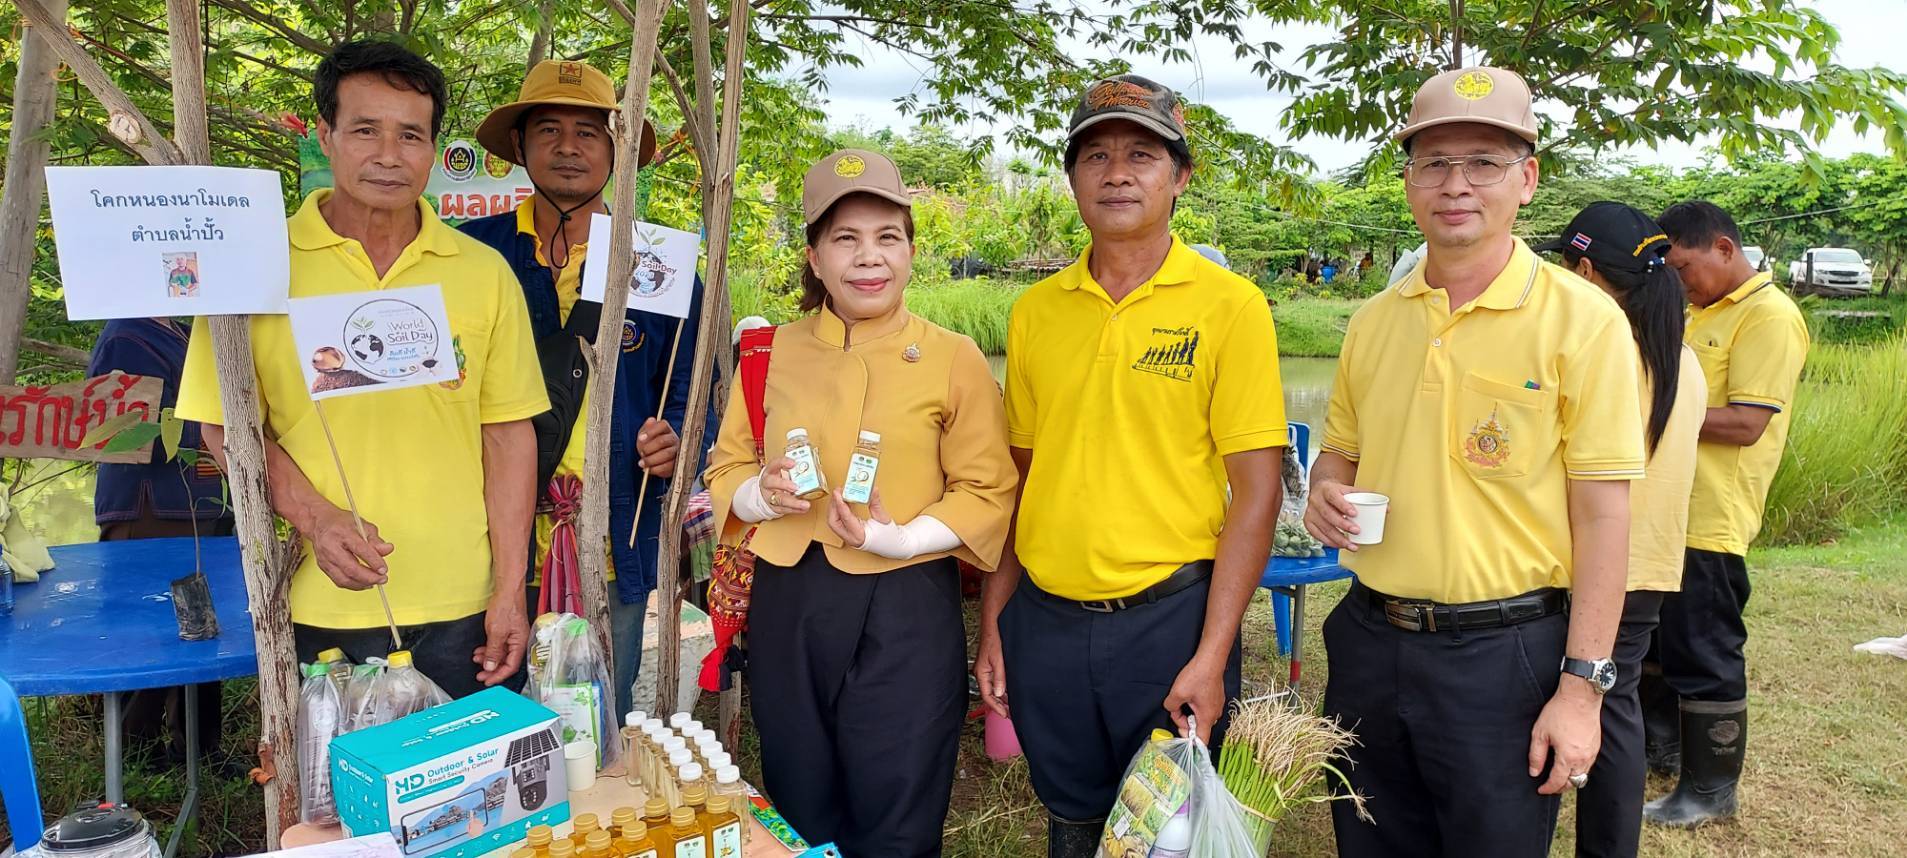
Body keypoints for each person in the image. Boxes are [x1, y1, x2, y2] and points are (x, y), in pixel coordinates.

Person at [1302, 67, 1645, 857]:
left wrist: (1582, 686)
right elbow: (1340, 453)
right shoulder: (1372, 322)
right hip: (1368, 637)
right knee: (1369, 840)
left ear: (1526, 180)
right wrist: (1325, 488)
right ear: (1408, 181)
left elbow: (1603, 515)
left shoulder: (1582, 321)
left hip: (1504, 653)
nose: (1455, 185)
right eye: (1433, 163)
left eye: (1483, 163)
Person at [974, 74, 1286, 857]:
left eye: (1141, 155)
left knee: (1165, 829)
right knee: (1071, 817)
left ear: (1179, 176)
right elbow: (1019, 481)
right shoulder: (1035, 311)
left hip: (1169, 620)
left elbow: (1256, 493)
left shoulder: (1230, 305)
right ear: (1072, 177)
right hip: (1045, 620)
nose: (1117, 173)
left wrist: (1211, 654)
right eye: (1096, 156)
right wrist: (994, 624)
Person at [178, 40, 548, 698]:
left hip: (463, 604)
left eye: (410, 135)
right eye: (364, 130)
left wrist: (508, 590)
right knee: (334, 769)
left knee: (473, 768)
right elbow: (223, 426)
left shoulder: (482, 273)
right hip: (318, 598)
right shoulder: (255, 265)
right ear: (325, 137)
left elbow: (508, 433)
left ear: (433, 149)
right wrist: (318, 519)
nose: (388, 155)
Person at [703, 149, 1016, 857]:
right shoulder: (768, 353)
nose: (868, 257)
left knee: (899, 801)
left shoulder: (953, 356)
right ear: (814, 258)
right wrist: (757, 494)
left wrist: (902, 539)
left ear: (910, 252)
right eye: (845, 239)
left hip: (906, 603)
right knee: (799, 789)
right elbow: (727, 465)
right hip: (789, 596)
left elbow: (987, 488)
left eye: (887, 237)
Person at [458, 59, 714, 718]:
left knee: (594, 719)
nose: (568, 147)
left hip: (611, 537)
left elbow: (695, 393)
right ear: (520, 144)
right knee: (486, 720)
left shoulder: (659, 266)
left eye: (589, 133)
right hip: (484, 537)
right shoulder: (470, 256)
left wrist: (677, 441)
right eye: (549, 130)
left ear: (617, 151)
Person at [1533, 202, 1707, 858]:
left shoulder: (1602, 356)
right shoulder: (1680, 360)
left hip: (1589, 569)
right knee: (1617, 705)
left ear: (1583, 272)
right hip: (1650, 568)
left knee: (1564, 708)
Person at [1643, 200, 1809, 828]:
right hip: (1667, 507)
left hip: (1712, 516)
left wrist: (1647, 412)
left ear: (1723, 247)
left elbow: (1746, 423)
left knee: (1705, 649)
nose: (1680, 280)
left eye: (1685, 267)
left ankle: (1711, 790)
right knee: (1659, 640)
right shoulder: (1697, 312)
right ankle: (1662, 751)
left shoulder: (1769, 316)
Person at [90, 318, 236, 763]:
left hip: (206, 503)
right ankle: (133, 750)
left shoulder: (192, 331)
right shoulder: (126, 336)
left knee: (206, 629)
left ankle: (198, 748)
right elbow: (120, 432)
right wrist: (226, 424)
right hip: (153, 511)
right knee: (147, 630)